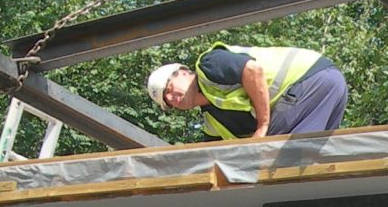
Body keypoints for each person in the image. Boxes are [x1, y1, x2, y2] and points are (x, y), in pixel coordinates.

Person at [146, 43, 348, 140]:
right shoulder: (213, 125)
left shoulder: (208, 65)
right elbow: (216, 158)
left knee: (274, 157)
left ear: (182, 72)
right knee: (317, 160)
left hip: (308, 81)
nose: (173, 98)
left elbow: (252, 70)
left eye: (169, 89)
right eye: (168, 101)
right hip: (331, 86)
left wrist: (263, 125)